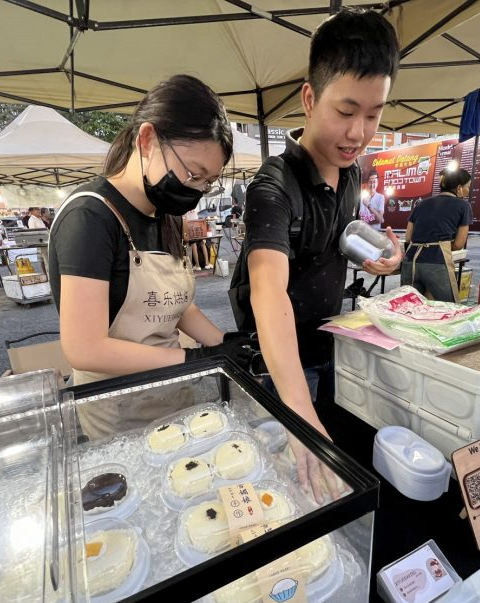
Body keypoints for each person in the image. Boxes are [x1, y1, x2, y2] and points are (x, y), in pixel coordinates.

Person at [228, 8, 401, 502]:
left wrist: (374, 255)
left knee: (329, 465)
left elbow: (340, 232)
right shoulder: (273, 185)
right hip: (279, 362)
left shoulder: (351, 173)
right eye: (346, 112)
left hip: (329, 342)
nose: (359, 133)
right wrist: (298, 410)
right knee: (286, 482)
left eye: (374, 114)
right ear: (309, 97)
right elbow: (267, 291)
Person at [48, 75, 254, 440]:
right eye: (193, 173)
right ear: (147, 140)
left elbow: (178, 306)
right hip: (119, 407)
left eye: (207, 182)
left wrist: (222, 344)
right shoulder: (91, 218)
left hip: (172, 391)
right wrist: (195, 359)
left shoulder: (165, 213)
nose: (196, 191)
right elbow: (84, 348)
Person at [402, 167, 472, 303]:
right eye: (467, 187)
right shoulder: (463, 206)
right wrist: (442, 245)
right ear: (458, 188)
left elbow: (408, 238)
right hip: (437, 263)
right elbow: (459, 244)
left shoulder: (421, 204)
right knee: (446, 308)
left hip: (411, 262)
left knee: (409, 308)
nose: (468, 191)